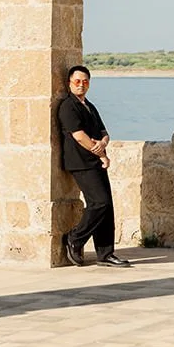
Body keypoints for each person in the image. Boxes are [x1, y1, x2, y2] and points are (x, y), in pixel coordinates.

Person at [57, 65, 131, 268]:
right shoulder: (67, 106)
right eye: (77, 81)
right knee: (100, 203)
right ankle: (75, 237)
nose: (81, 85)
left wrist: (104, 143)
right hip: (80, 162)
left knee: (107, 208)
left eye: (85, 81)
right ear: (69, 83)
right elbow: (79, 137)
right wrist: (101, 153)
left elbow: (103, 132)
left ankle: (105, 254)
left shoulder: (90, 106)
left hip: (95, 160)